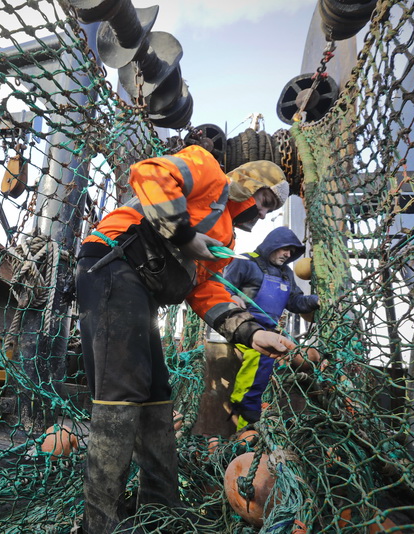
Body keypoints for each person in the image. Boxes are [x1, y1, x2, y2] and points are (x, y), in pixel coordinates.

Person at [75, 144, 297, 533]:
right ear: (247, 183)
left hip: (142, 292)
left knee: (157, 391)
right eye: (263, 201)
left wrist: (254, 332)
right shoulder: (207, 171)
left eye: (268, 210)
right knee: (122, 390)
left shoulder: (224, 244)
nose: (261, 214)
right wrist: (182, 234)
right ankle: (101, 522)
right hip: (113, 264)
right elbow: (148, 172)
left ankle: (160, 508)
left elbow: (206, 292)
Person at [224, 226, 320, 431]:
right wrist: (231, 296)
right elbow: (222, 288)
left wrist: (315, 301)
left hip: (271, 329)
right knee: (259, 358)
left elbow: (294, 302)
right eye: (285, 248)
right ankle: (245, 409)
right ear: (272, 245)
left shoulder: (286, 274)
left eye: (292, 252)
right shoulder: (244, 262)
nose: (288, 254)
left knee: (295, 355)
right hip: (243, 327)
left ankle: (256, 407)